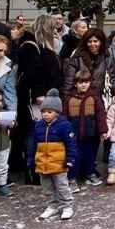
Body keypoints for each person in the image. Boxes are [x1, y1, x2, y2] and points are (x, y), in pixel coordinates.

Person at [12, 16, 63, 182]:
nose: (55, 31)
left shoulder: (37, 44)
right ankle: (31, 171)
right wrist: (39, 93)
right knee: (32, 133)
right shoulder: (31, 45)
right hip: (34, 99)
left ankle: (36, 169)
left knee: (38, 132)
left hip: (41, 95)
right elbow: (34, 71)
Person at [33, 89, 80, 219]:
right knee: (47, 187)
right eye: (43, 111)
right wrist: (31, 158)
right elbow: (34, 144)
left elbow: (71, 144)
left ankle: (67, 206)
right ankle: (52, 206)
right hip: (42, 163)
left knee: (62, 186)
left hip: (59, 163)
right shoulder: (38, 126)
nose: (45, 114)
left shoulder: (64, 125)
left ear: (57, 113)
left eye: (49, 112)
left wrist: (70, 159)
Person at [66, 71, 107, 187]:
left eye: (86, 82)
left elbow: (100, 114)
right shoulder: (69, 99)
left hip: (90, 134)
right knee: (74, 156)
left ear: (90, 83)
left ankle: (90, 174)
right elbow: (65, 117)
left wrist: (103, 130)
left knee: (89, 156)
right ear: (75, 84)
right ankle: (72, 178)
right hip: (74, 135)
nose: (83, 85)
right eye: (80, 83)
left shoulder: (94, 97)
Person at [69, 29, 111, 102]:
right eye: (89, 41)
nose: (92, 44)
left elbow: (112, 78)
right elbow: (69, 79)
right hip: (80, 97)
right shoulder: (77, 56)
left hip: (100, 97)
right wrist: (67, 99)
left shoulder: (107, 56)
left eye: (95, 41)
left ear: (101, 42)